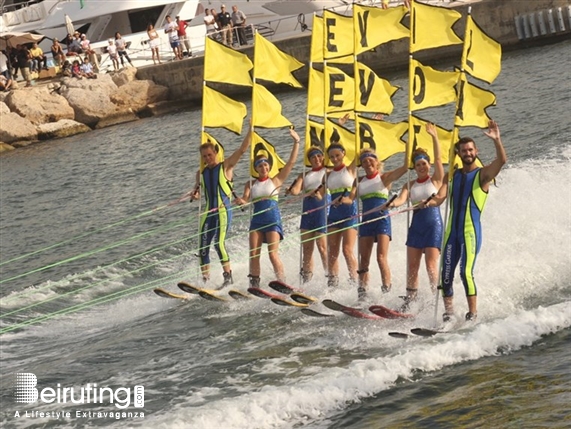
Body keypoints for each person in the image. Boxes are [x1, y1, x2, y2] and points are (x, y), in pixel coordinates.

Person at [422, 120, 507, 322]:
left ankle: (472, 314)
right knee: (445, 275)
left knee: (465, 273)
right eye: (463, 150)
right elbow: (440, 198)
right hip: (452, 233)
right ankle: (449, 314)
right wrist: (426, 202)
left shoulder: (483, 175)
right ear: (458, 154)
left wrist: (497, 140)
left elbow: (502, 161)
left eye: (470, 149)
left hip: (470, 233)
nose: (467, 153)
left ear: (476, 151)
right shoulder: (452, 176)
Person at [385, 122, 444, 309]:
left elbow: (439, 159)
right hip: (416, 226)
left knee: (431, 266)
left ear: (428, 165)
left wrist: (434, 136)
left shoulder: (435, 179)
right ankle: (410, 301)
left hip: (433, 223)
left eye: (424, 164)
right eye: (418, 164)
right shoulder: (409, 185)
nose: (421, 167)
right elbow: (401, 200)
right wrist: (391, 204)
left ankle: (437, 300)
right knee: (412, 266)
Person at [235, 128, 301, 287]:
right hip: (257, 220)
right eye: (260, 166)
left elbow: (291, 164)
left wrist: (296, 142)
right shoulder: (250, 184)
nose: (263, 168)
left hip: (272, 219)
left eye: (265, 165)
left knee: (272, 254)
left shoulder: (276, 181)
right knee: (253, 254)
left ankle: (282, 283)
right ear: (256, 168)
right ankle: (254, 284)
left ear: (269, 167)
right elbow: (245, 199)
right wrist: (241, 201)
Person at [190, 130, 252, 287]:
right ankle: (205, 282)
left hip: (223, 211)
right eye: (204, 156)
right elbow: (197, 191)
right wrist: (195, 195)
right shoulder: (201, 173)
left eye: (209, 155)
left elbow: (242, 150)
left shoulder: (226, 166)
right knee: (203, 247)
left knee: (218, 244)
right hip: (207, 213)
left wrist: (250, 130)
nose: (207, 158)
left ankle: (228, 278)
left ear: (216, 153)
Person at [356, 147, 408, 299]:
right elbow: (349, 197)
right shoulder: (358, 181)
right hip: (366, 222)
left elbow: (405, 168)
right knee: (364, 259)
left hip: (382, 220)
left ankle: (386, 290)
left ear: (377, 162)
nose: (367, 163)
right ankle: (362, 292)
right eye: (364, 161)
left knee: (380, 257)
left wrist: (408, 146)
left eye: (370, 160)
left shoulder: (384, 178)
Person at [286, 145, 329, 283]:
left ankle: (330, 277)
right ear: (309, 160)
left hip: (321, 208)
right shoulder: (304, 175)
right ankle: (306, 281)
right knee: (307, 248)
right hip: (307, 209)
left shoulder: (328, 172)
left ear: (322, 157)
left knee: (322, 247)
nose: (316, 159)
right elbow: (296, 191)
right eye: (312, 157)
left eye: (318, 156)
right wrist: (290, 189)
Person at [325, 142, 358, 288]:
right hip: (334, 214)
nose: (335, 158)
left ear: (344, 154)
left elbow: (360, 152)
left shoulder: (351, 169)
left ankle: (355, 281)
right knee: (332, 251)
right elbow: (319, 193)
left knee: (347, 249)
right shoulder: (327, 175)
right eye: (332, 157)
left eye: (337, 155)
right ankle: (332, 283)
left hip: (350, 212)